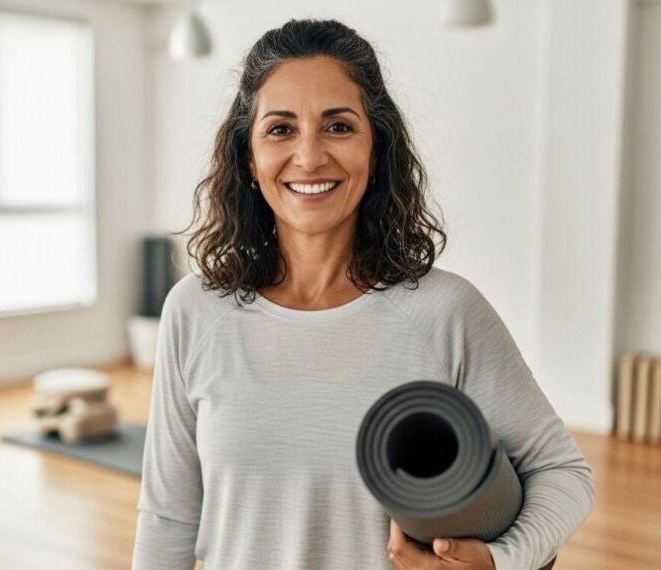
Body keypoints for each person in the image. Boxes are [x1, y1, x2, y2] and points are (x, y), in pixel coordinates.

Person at [132, 19, 594, 570]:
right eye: (280, 129)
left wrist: (502, 560)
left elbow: (563, 473)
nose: (308, 156)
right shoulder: (194, 311)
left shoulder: (445, 312)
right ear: (249, 160)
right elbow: (168, 518)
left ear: (376, 151)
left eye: (338, 127)